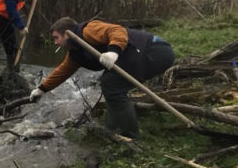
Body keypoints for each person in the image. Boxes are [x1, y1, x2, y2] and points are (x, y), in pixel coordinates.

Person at [29, 17, 175, 139]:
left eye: (56, 38)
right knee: (110, 84)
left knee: (111, 83)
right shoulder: (76, 52)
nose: (55, 42)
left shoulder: (87, 30)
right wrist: (42, 89)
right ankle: (113, 128)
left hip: (156, 50)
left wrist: (113, 52)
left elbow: (117, 30)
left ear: (67, 34)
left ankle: (131, 136)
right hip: (144, 55)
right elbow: (62, 71)